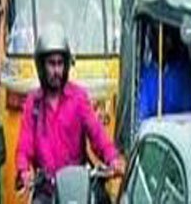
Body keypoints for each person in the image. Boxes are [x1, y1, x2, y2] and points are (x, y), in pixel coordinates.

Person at [15, 24, 122, 200]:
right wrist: (24, 170)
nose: (56, 70)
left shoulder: (79, 98)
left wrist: (112, 158)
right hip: (46, 190)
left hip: (77, 186)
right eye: (51, 64)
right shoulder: (33, 103)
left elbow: (97, 135)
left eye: (60, 63)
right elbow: (24, 148)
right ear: (42, 66)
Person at [136, 29, 191, 121]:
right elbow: (142, 113)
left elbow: (188, 110)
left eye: (165, 37)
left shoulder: (183, 72)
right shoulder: (147, 73)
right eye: (154, 38)